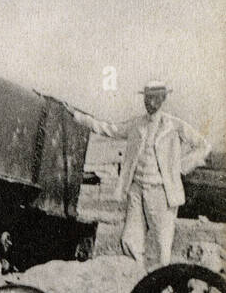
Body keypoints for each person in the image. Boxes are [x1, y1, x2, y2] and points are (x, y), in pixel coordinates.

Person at [68, 81, 210, 267]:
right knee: (130, 240)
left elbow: (204, 146)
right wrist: (76, 116)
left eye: (155, 98)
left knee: (161, 245)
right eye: (147, 98)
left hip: (161, 193)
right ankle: (138, 284)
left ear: (163, 99)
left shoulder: (174, 125)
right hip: (136, 190)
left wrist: (181, 167)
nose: (150, 102)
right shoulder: (137, 124)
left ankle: (159, 288)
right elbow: (109, 129)